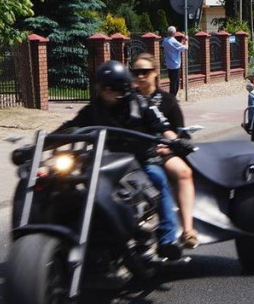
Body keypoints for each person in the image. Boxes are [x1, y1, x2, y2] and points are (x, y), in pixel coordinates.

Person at [56, 60, 183, 256]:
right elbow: (71, 128)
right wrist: (42, 144)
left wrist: (175, 141)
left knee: (158, 179)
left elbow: (163, 127)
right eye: (103, 86)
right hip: (105, 163)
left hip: (141, 162)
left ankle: (167, 239)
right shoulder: (93, 110)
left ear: (123, 86)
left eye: (112, 86)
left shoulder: (143, 104)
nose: (107, 90)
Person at [131, 53, 199, 249]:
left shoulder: (168, 101)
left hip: (163, 151)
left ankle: (187, 230)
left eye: (145, 71)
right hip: (134, 152)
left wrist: (168, 147)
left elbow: (182, 135)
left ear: (155, 73)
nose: (141, 76)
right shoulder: (129, 99)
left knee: (184, 172)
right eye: (136, 72)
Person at [161, 26, 187, 97]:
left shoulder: (165, 40)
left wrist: (182, 41)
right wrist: (187, 40)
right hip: (175, 65)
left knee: (172, 82)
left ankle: (172, 97)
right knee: (175, 83)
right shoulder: (173, 41)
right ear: (174, 33)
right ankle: (172, 98)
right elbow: (185, 48)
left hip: (169, 64)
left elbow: (178, 47)